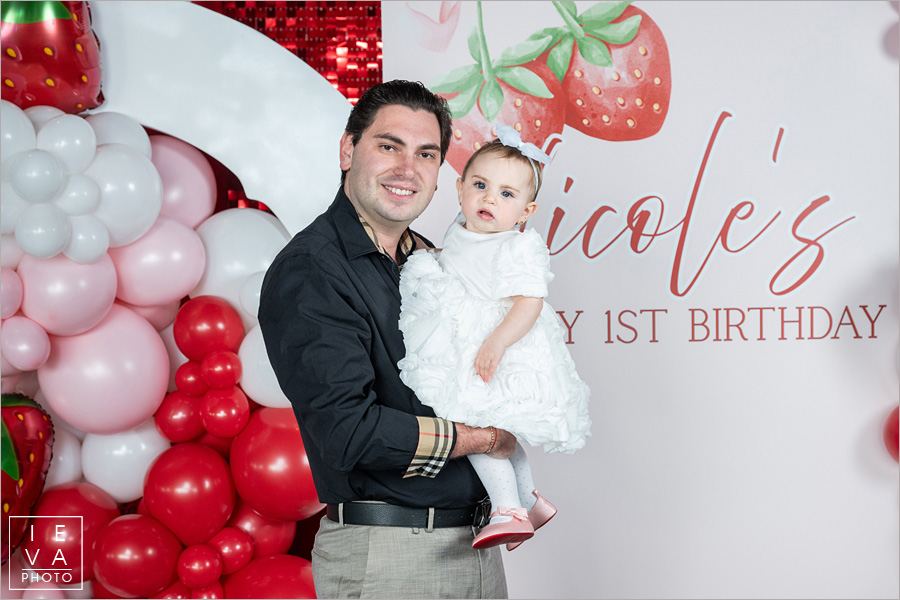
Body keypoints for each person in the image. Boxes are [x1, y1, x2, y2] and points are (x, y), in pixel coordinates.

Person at [258, 80, 514, 599]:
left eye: (426, 154)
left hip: (473, 545)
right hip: (391, 555)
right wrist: (483, 439)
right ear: (348, 150)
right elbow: (348, 432)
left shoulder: (431, 259)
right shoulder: (312, 270)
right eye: (389, 146)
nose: (407, 168)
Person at [397, 126, 592, 551]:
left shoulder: (517, 247)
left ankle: (508, 510)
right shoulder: (461, 227)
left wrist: (498, 343)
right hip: (462, 336)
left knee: (475, 427)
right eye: (480, 186)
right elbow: (459, 263)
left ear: (525, 211)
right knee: (494, 429)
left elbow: (530, 302)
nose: (489, 199)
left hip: (492, 345)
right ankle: (530, 503)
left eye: (507, 194)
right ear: (460, 188)